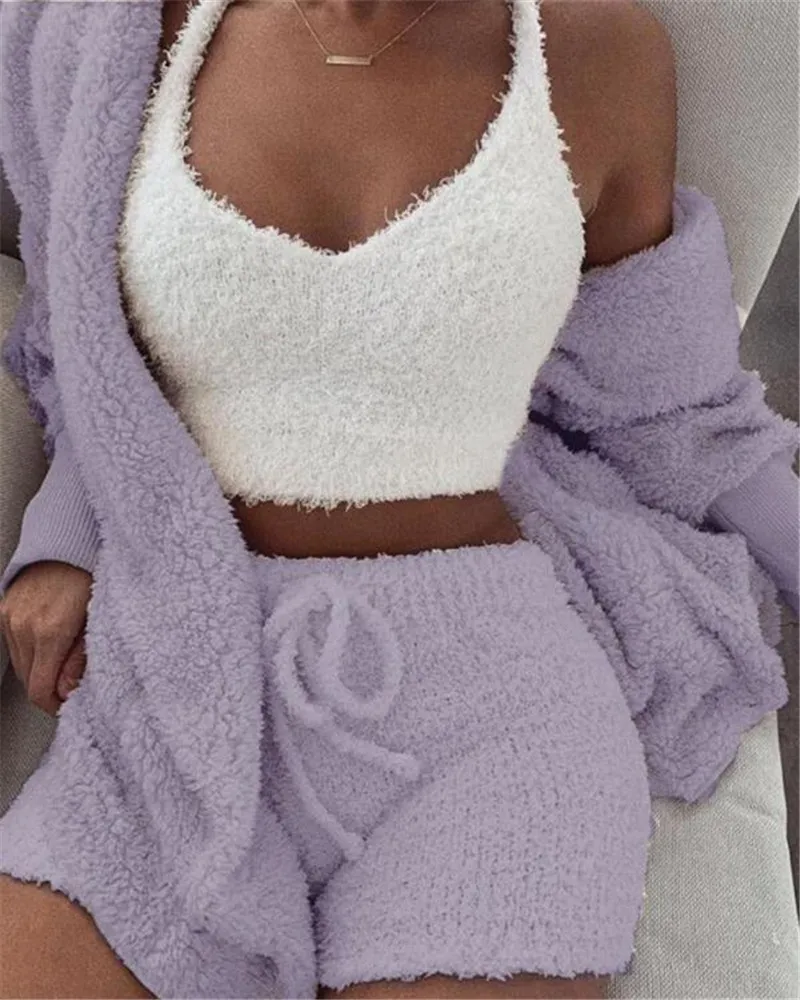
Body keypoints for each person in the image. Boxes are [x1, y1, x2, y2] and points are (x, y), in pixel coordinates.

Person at [0, 1, 692, 997]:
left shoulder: (597, 46)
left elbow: (671, 402)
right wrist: (64, 530)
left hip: (491, 707)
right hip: (184, 677)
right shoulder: (117, 32)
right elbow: (88, 340)